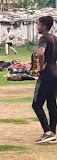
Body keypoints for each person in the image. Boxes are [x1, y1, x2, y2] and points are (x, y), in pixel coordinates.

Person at [32, 16, 57, 144]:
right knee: (51, 103)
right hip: (55, 73)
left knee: (36, 104)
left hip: (47, 74)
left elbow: (41, 53)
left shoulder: (44, 38)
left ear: (45, 26)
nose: (37, 26)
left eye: (38, 24)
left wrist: (41, 68)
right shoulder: (54, 38)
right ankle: (52, 132)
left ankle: (47, 132)